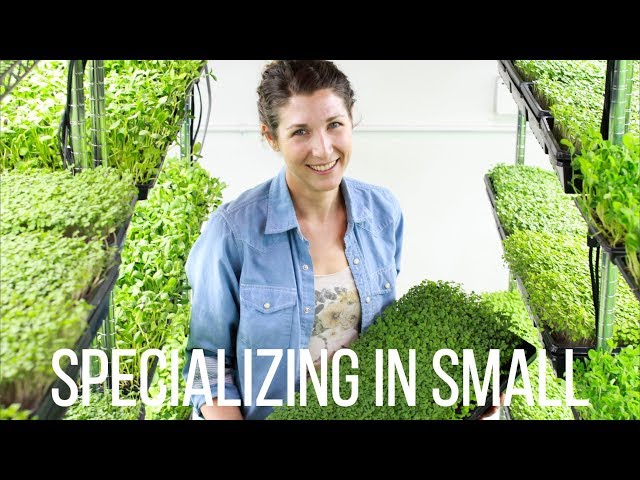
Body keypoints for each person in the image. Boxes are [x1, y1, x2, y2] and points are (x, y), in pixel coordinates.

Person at [183, 59, 404, 420]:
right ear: (271, 138)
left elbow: (388, 338)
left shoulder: (383, 212)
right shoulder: (233, 232)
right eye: (300, 132)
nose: (323, 149)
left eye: (334, 125)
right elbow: (206, 364)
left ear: (351, 120)